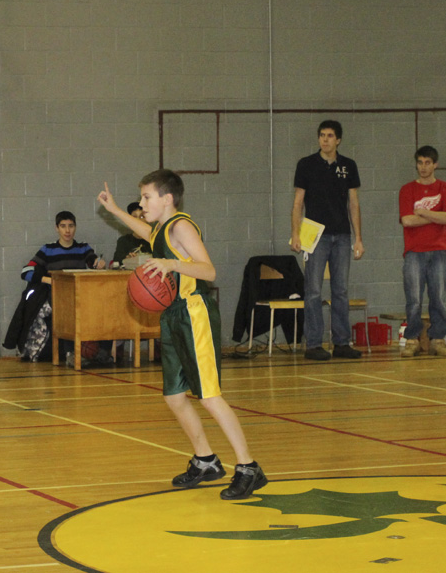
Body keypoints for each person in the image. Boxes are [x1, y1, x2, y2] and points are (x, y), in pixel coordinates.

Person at [98, 170, 267, 500]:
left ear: (167, 199)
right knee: (174, 396)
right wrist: (115, 211)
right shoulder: (162, 229)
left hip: (194, 312)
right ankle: (206, 460)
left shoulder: (182, 227)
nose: (142, 203)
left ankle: (249, 467)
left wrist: (172, 265)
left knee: (208, 396)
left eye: (147, 197)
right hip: (173, 314)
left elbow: (209, 269)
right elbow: (147, 232)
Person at [290, 120, 363, 361]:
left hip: (342, 235)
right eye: (322, 135)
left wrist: (358, 238)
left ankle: (341, 342)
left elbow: (353, 204)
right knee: (312, 290)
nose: (325, 139)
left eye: (330, 136)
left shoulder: (348, 166)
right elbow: (298, 202)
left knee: (340, 290)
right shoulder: (306, 164)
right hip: (315, 236)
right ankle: (313, 344)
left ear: (338, 140)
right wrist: (296, 234)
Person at [19, 211, 111, 364]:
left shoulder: (83, 248)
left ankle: (103, 352)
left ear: (75, 228)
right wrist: (48, 280)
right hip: (57, 297)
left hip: (81, 295)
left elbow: (91, 259)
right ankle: (70, 353)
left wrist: (97, 262)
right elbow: (25, 271)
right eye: (63, 226)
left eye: (71, 226)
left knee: (104, 307)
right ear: (57, 228)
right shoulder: (47, 250)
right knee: (68, 309)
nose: (67, 231)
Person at [399, 145, 446, 357]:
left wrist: (424, 213)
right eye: (420, 163)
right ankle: (412, 339)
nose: (423, 167)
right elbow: (407, 220)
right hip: (414, 251)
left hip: (440, 250)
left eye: (427, 163)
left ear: (435, 164)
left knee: (438, 297)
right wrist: (437, 215)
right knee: (414, 298)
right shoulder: (407, 190)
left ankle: (438, 339)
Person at [110, 202, 151, 268]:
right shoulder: (124, 241)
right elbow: (116, 260)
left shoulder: (153, 240)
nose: (138, 220)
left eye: (142, 216)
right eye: (134, 217)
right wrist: (127, 258)